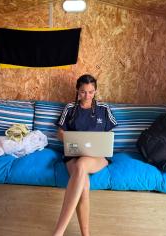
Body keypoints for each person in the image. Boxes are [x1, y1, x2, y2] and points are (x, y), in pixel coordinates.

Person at [52, 74, 117, 236]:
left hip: (97, 157)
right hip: (73, 154)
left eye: (90, 92)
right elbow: (59, 133)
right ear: (77, 90)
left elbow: (109, 135)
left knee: (82, 165)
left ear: (95, 91)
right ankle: (85, 234)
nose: (87, 96)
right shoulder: (70, 108)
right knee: (84, 186)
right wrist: (66, 137)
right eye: (83, 92)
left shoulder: (103, 109)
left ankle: (58, 232)